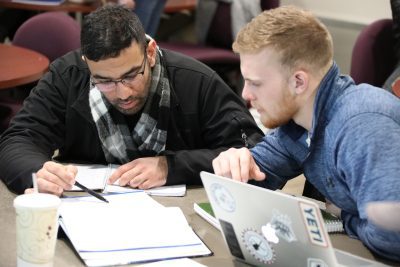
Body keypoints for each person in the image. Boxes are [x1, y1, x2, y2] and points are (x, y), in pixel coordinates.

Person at [0, 4, 263, 196]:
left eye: (131, 75)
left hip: (183, 218)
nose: (123, 92)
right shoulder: (68, 76)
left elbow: (254, 153)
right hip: (86, 210)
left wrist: (172, 167)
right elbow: (18, 140)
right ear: (87, 65)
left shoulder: (196, 82)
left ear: (149, 53)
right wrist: (37, 171)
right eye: (104, 81)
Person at [212, 5, 400, 262]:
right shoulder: (298, 124)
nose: (245, 94)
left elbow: (391, 239)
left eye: (255, 83)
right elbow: (255, 179)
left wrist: (344, 216)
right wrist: (235, 165)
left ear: (298, 82)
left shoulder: (361, 125)